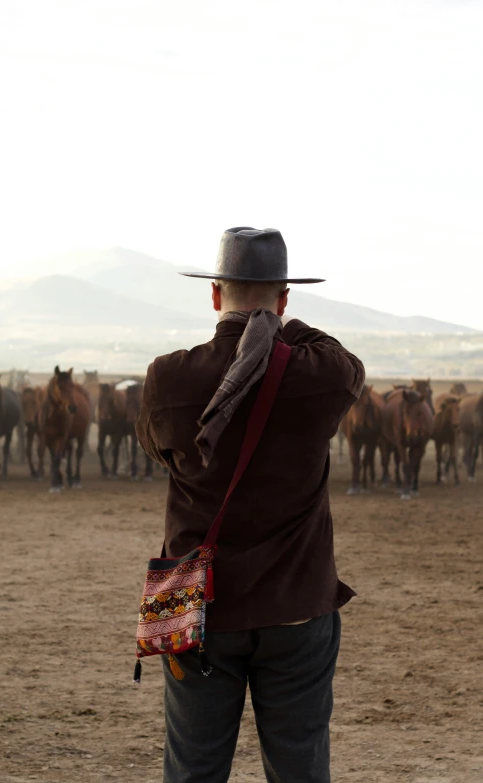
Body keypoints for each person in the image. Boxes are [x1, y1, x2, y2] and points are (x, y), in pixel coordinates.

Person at [136, 227, 365, 783]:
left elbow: (158, 452)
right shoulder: (321, 374)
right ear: (285, 299)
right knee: (300, 768)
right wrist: (278, 329)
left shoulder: (168, 377)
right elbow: (348, 364)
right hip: (297, 604)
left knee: (193, 768)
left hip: (199, 606)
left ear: (215, 294)